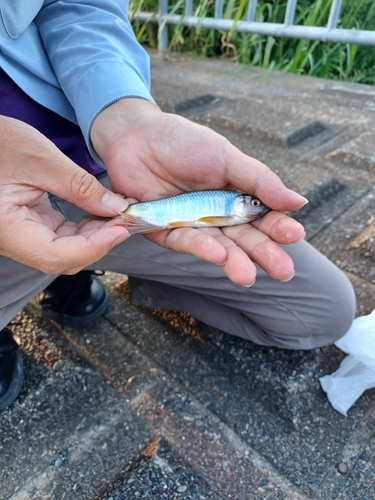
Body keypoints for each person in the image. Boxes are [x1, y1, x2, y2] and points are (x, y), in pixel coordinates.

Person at [0, 0, 355, 412]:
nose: (256, 208)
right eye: (252, 204)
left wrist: (124, 113)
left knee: (324, 310)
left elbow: (81, 6)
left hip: (112, 168)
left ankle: (98, 267)